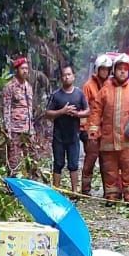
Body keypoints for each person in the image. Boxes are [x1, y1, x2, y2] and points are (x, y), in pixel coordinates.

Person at [88, 53, 129, 205]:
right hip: (108, 139)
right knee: (110, 170)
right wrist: (93, 130)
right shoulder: (105, 90)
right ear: (114, 70)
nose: (122, 72)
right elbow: (96, 110)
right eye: (119, 69)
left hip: (127, 139)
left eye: (125, 69)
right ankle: (111, 197)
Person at [45, 65, 89, 193]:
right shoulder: (56, 95)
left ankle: (75, 191)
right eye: (64, 75)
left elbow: (88, 111)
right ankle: (56, 190)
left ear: (73, 76)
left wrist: (77, 114)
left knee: (73, 164)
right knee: (58, 163)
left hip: (74, 135)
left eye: (69, 74)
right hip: (59, 136)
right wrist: (62, 111)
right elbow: (47, 113)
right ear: (61, 78)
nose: (67, 77)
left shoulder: (79, 94)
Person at [79, 54, 112, 195]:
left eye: (107, 69)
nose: (104, 72)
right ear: (97, 69)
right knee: (90, 160)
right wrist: (83, 130)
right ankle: (85, 189)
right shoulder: (88, 86)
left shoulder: (110, 86)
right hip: (91, 129)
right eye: (102, 69)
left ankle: (109, 191)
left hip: (106, 130)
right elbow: (84, 107)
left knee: (107, 162)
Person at [2, 56, 35, 176]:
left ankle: (31, 185)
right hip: (15, 129)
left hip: (28, 129)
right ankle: (12, 186)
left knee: (31, 160)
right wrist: (7, 130)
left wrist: (32, 130)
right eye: (22, 68)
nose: (25, 71)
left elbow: (30, 109)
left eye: (26, 68)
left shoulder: (29, 87)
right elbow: (6, 108)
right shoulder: (10, 87)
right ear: (17, 70)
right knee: (14, 160)